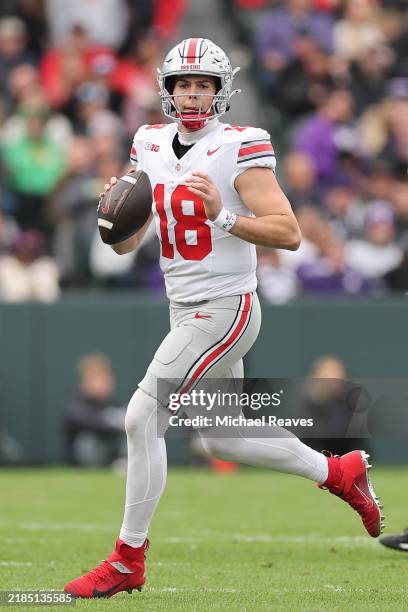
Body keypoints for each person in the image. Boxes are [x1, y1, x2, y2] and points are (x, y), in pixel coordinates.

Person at [64, 38, 384, 599]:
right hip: (182, 304)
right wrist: (113, 218)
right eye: (183, 84)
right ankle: (339, 473)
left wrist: (225, 217)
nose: (191, 95)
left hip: (226, 306)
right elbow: (125, 246)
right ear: (167, 90)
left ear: (220, 91)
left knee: (141, 416)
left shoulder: (241, 145)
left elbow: (288, 232)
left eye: (202, 85)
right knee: (223, 438)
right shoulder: (149, 143)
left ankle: (126, 559)